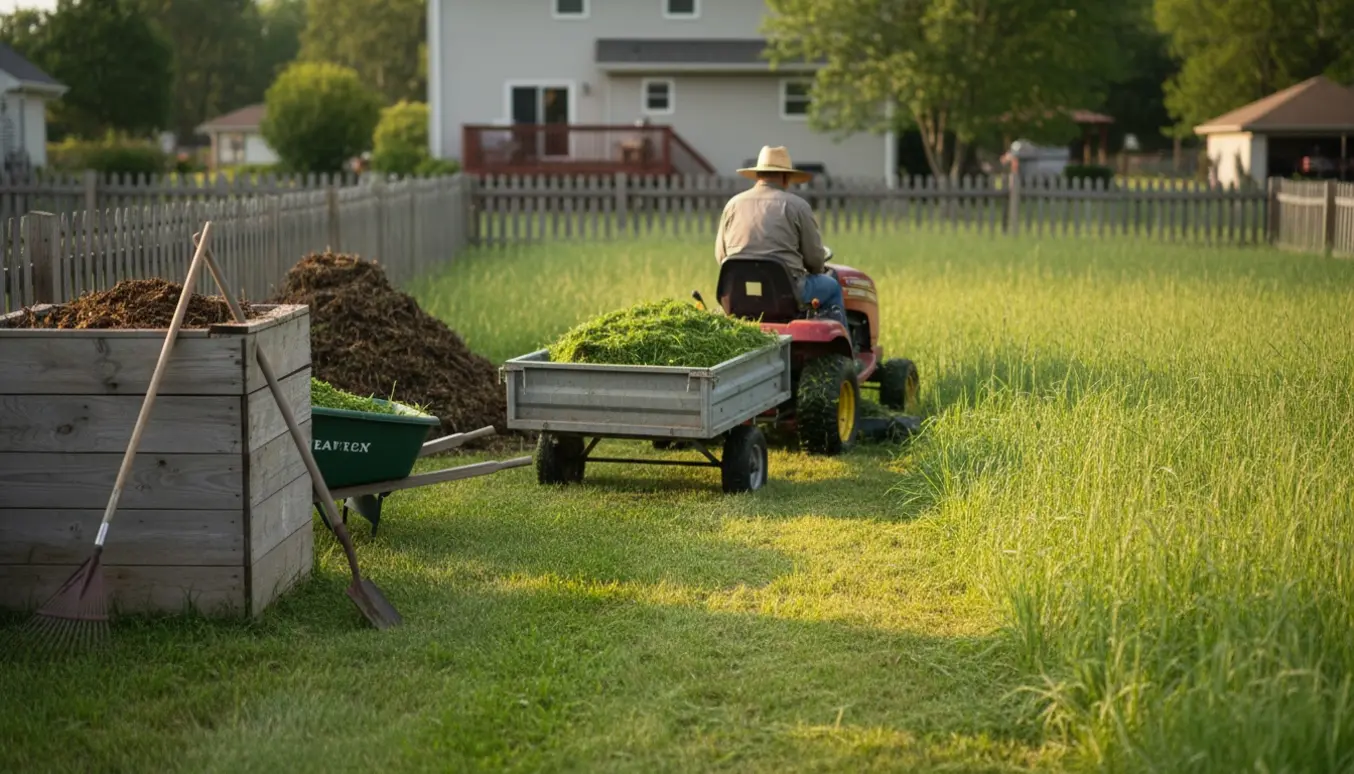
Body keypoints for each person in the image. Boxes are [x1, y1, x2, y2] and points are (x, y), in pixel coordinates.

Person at [715, 145, 847, 328]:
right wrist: (814, 267)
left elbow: (721, 257)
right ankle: (842, 350)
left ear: (758, 175)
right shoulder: (797, 206)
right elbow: (815, 260)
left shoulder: (733, 205)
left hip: (738, 292)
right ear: (786, 177)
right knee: (832, 287)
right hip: (787, 292)